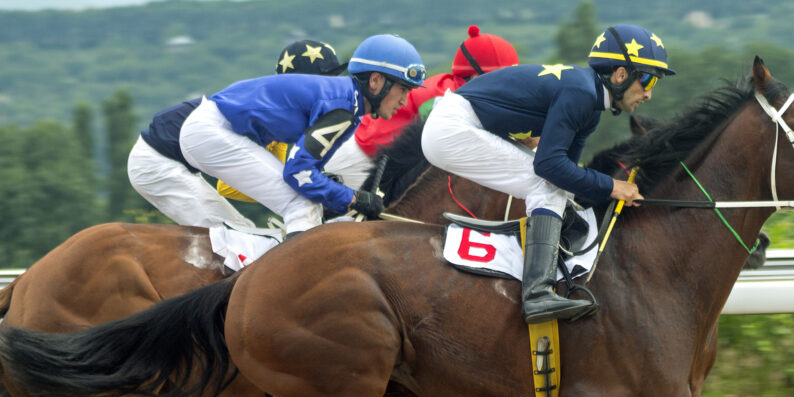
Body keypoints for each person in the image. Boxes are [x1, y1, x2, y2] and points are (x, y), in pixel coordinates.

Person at [421, 24, 674, 324]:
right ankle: (537, 293)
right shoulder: (581, 93)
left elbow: (567, 173)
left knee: (556, 188)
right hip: (452, 128)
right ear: (620, 74)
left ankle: (547, 271)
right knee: (547, 186)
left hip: (461, 123)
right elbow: (550, 168)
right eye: (648, 80)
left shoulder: (590, 106)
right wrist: (612, 186)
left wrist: (607, 193)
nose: (649, 93)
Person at [178, 34, 425, 237]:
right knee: (301, 204)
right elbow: (298, 172)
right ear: (375, 81)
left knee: (307, 201)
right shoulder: (343, 108)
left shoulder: (350, 107)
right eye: (403, 89)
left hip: (209, 130)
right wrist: (353, 198)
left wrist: (341, 195)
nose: (404, 101)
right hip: (212, 132)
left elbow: (307, 170)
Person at [126, 40, 345, 229]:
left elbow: (274, 175)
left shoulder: (279, 108)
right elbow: (228, 188)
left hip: (169, 156)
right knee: (235, 236)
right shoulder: (273, 114)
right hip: (157, 163)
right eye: (327, 82)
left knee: (244, 233)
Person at [323, 25, 518, 189]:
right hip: (361, 157)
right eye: (502, 79)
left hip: (370, 151)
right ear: (476, 76)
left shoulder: (453, 87)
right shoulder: (450, 96)